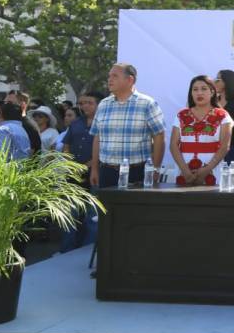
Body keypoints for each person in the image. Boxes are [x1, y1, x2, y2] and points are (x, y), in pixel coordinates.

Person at [89, 63, 165, 188]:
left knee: (135, 208)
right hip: (106, 172)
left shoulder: (147, 104)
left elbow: (159, 137)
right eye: (109, 76)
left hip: (137, 173)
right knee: (107, 208)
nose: (109, 79)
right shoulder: (103, 104)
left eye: (114, 76)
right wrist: (95, 169)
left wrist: (155, 169)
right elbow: (97, 138)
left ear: (130, 80)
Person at [170, 75, 233, 186]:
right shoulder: (182, 115)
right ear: (191, 93)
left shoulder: (222, 115)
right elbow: (173, 145)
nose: (199, 93)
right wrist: (185, 170)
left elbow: (225, 146)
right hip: (184, 170)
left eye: (204, 89)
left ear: (212, 92)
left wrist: (207, 169)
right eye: (195, 89)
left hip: (212, 169)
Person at [60, 92, 102, 252]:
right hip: (73, 176)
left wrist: (86, 166)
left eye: (89, 103)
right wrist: (70, 165)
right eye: (82, 103)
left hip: (95, 174)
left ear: (99, 104)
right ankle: (66, 250)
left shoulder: (104, 123)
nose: (84, 106)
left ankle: (86, 252)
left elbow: (102, 150)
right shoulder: (76, 123)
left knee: (92, 217)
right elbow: (67, 145)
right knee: (70, 216)